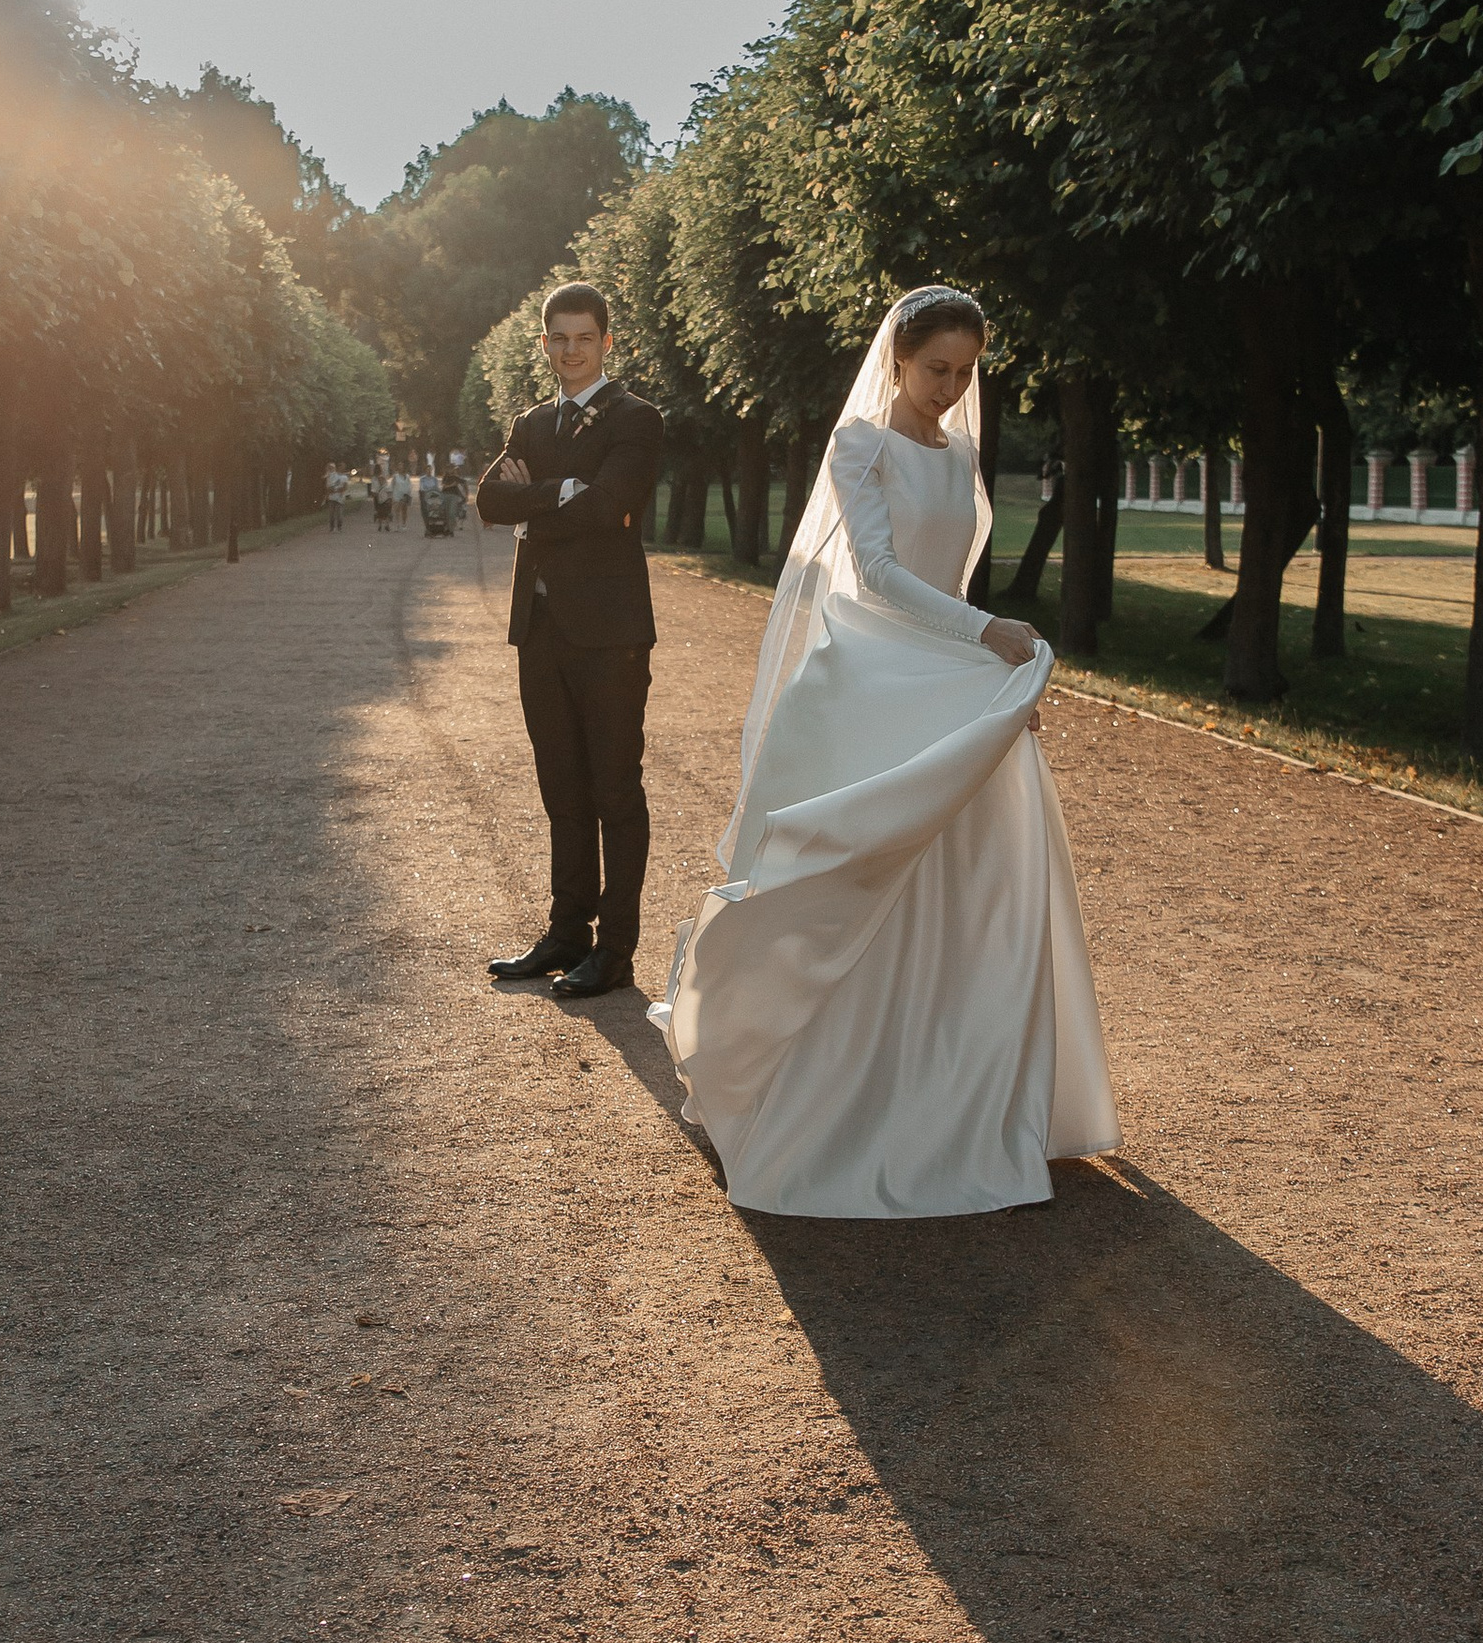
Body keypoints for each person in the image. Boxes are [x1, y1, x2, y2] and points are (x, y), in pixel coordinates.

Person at [651, 285, 1116, 1216]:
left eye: (964, 372)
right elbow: (879, 573)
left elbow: (949, 568)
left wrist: (989, 674)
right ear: (898, 358)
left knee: (979, 886)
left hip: (949, 675)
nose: (948, 387)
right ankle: (833, 1089)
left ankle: (960, 1090)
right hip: (870, 679)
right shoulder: (860, 443)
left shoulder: (965, 452)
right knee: (853, 873)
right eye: (935, 367)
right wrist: (991, 635)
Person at [476, 281, 664, 1000]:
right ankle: (567, 933)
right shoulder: (530, 422)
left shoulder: (636, 419)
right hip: (541, 630)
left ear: (606, 341)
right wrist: (562, 493)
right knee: (561, 789)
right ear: (545, 343)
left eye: (584, 337)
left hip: (610, 634)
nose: (571, 350)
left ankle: (615, 949)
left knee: (615, 789)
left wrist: (540, 499)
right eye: (558, 338)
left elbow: (614, 503)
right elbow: (492, 501)